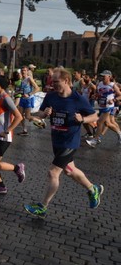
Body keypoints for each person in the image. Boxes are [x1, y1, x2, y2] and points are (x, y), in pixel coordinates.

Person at [24, 68, 102, 217]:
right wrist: (44, 114)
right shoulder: (51, 97)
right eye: (52, 82)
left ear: (66, 81)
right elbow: (40, 114)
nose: (53, 85)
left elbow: (94, 116)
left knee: (53, 172)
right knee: (69, 170)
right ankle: (93, 189)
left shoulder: (77, 99)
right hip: (56, 141)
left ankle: (43, 207)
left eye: (56, 82)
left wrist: (83, 120)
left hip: (70, 142)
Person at [86, 70, 121, 147]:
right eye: (101, 76)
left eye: (104, 76)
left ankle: (95, 140)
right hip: (101, 106)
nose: (102, 77)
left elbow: (120, 95)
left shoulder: (113, 85)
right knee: (107, 123)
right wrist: (94, 96)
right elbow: (97, 94)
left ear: (109, 77)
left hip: (108, 107)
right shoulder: (100, 84)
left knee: (99, 122)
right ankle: (119, 133)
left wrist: (114, 100)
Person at [16, 66, 42, 135]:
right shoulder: (21, 79)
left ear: (27, 71)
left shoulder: (29, 79)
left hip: (28, 100)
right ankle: (24, 130)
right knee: (20, 115)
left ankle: (39, 120)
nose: (23, 72)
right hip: (22, 99)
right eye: (22, 70)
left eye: (24, 70)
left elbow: (37, 88)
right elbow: (20, 89)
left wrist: (29, 94)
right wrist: (17, 92)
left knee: (27, 116)